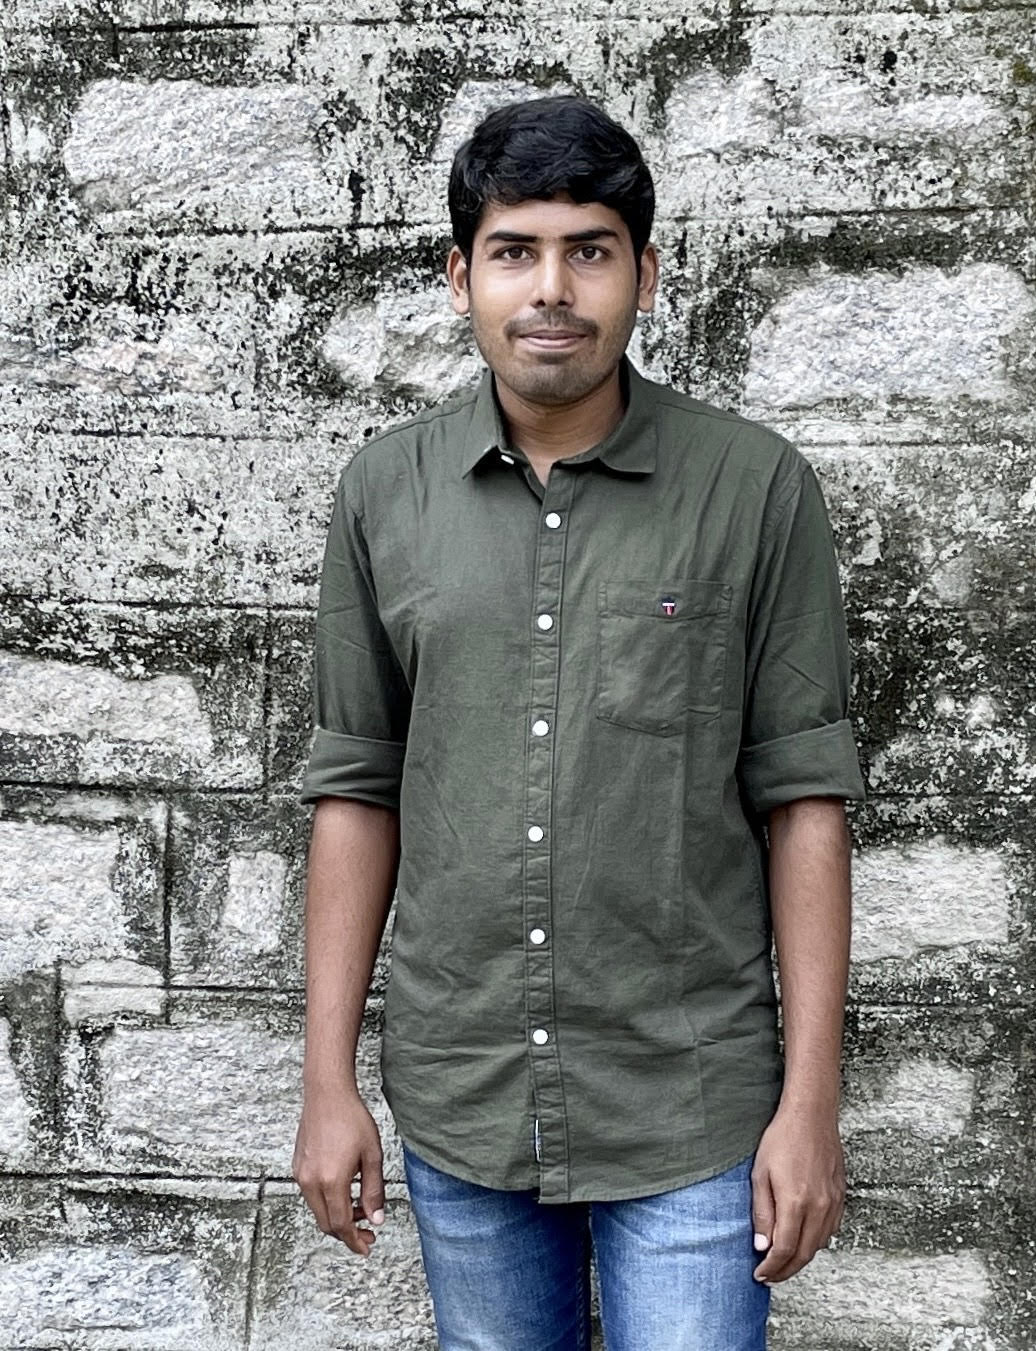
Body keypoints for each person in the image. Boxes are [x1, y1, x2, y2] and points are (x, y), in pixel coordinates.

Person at [291, 93, 866, 1351]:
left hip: (690, 1099)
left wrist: (811, 1104)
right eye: (514, 251)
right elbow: (357, 788)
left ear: (643, 275)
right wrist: (326, 1079)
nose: (550, 289)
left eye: (588, 251)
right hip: (465, 1088)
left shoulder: (754, 488)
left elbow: (803, 798)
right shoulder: (384, 492)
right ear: (462, 279)